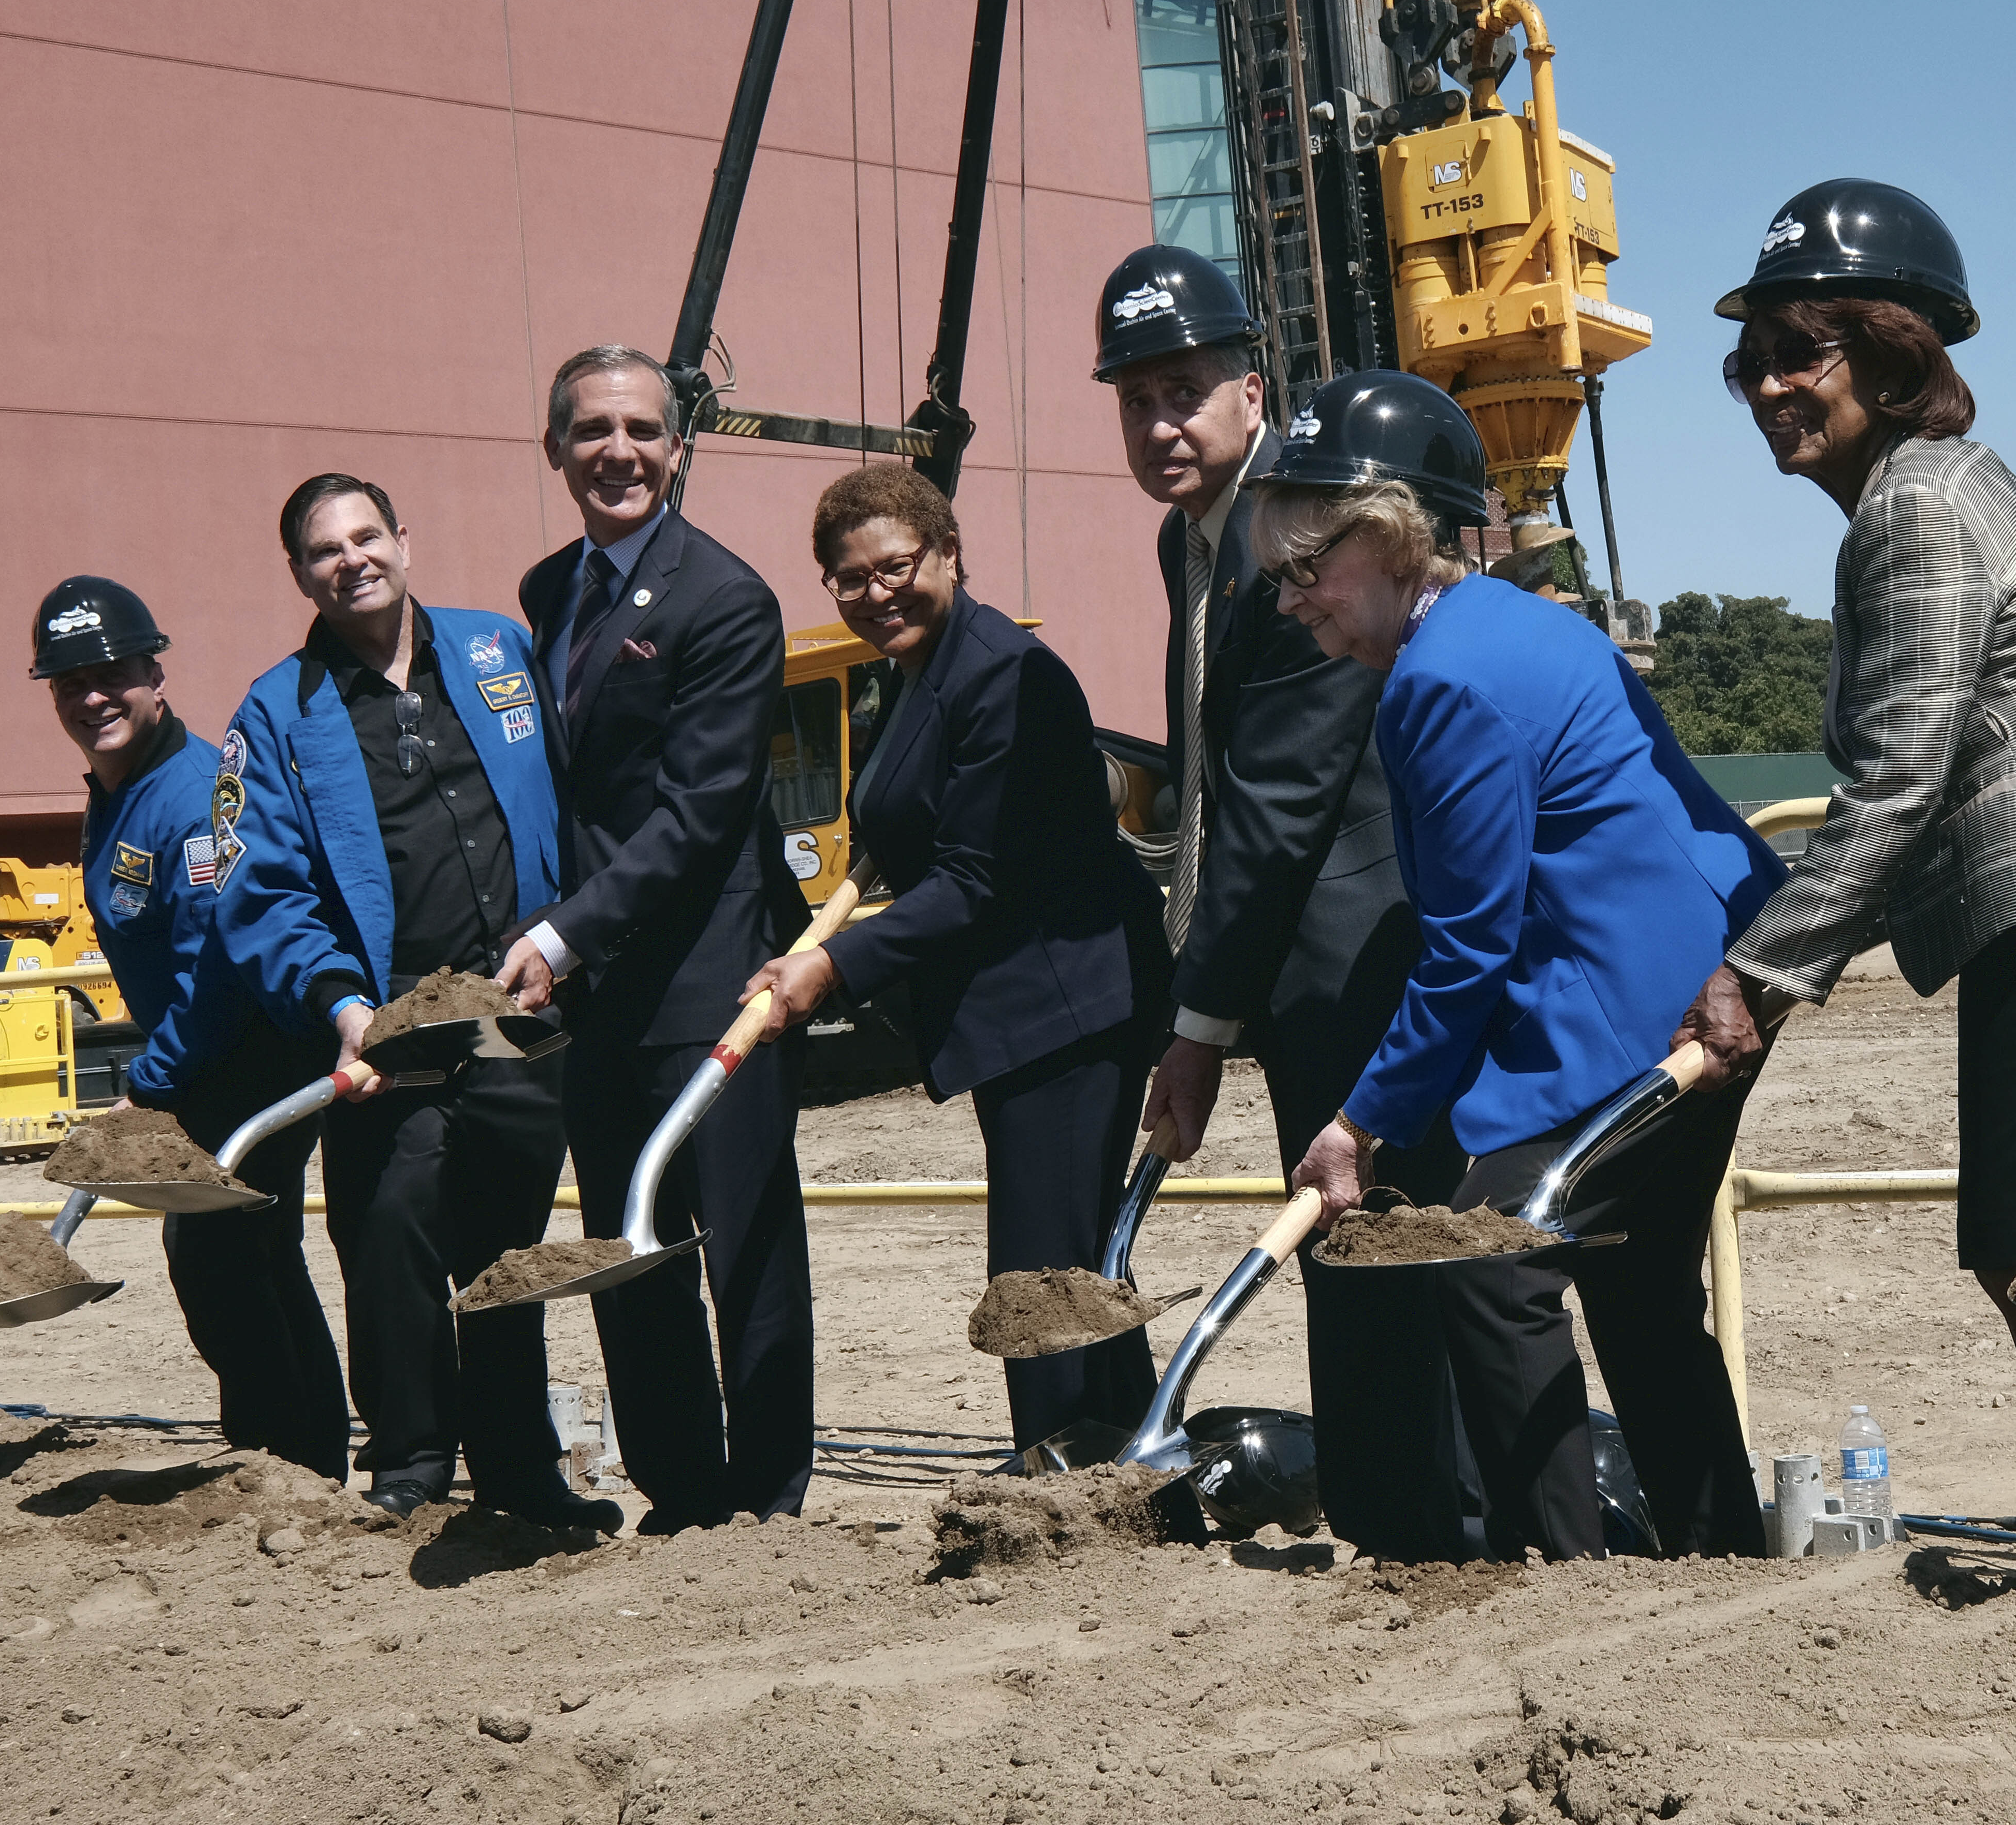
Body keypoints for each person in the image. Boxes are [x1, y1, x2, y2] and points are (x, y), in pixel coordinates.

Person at [1669, 179, 2016, 1605]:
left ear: (1891, 354)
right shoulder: (1935, 490)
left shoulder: (1911, 509)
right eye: (1751, 363)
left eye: (1802, 353)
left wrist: (1763, 971)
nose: (1769, 387)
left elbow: (1898, 780)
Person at [1256, 371, 1787, 1562]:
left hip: (1646, 1003)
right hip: (1706, 964)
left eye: (1307, 570)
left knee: (1487, 1264)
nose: (1292, 602)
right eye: (1279, 576)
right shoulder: (1518, 619)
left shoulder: (1442, 681)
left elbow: (1466, 947)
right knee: (1643, 1291)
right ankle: (1721, 1559)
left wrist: (1359, 1123)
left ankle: (1563, 1572)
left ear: (1392, 534)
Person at [1090, 244, 1461, 1558]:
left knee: (1383, 1249)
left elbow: (1283, 801)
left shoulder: (1300, 533)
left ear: (1253, 392)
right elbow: (1217, 779)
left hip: (1367, 954)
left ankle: (1431, 1531)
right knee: (1346, 1251)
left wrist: (1196, 1024)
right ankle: (1399, 1521)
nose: (1158, 422)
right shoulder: (1183, 542)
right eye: (1134, 399)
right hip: (1292, 964)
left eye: (1183, 389)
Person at [737, 466, 1167, 1448]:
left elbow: (978, 879)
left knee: (1040, 1270)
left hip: (1065, 1004)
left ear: (949, 556)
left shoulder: (1004, 674)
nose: (875, 593)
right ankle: (1129, 1466)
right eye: (848, 579)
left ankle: (1064, 1471)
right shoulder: (921, 671)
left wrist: (834, 964)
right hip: (1025, 1008)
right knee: (1077, 1255)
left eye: (895, 567)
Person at [215, 475, 610, 1527]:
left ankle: (521, 1469)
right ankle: (410, 1463)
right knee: (388, 1233)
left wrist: (572, 940)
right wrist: (341, 1004)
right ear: (299, 573)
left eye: (367, 536)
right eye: (324, 550)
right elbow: (263, 893)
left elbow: (583, 794)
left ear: (404, 538)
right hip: (386, 1029)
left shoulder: (498, 653)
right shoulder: (276, 713)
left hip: (519, 1009)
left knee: (509, 1257)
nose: (352, 560)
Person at [491, 346, 816, 1532]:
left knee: (744, 1245)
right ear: (556, 450)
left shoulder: (726, 599)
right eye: (592, 431)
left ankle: (769, 1495)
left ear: (678, 449)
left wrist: (565, 933)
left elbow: (699, 809)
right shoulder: (546, 594)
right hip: (601, 998)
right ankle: (680, 1490)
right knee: (627, 1245)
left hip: (710, 978)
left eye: (641, 430)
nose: (617, 452)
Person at [34, 575, 348, 1483]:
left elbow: (217, 960)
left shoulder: (197, 794)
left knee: (227, 1255)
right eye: (68, 682)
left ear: (153, 674)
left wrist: (155, 1078)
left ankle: (294, 1459)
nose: (92, 695)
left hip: (249, 1058)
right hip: (205, 1064)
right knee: (231, 1257)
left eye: (111, 672)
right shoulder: (120, 790)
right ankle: (279, 1451)